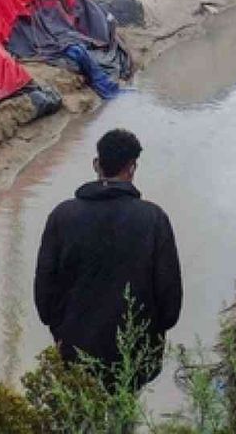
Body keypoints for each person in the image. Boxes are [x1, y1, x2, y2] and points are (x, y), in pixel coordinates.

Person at [34, 129, 183, 387]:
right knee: (123, 417)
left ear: (96, 164)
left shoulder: (62, 216)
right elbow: (170, 297)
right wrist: (151, 335)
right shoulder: (154, 219)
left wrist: (60, 331)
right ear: (132, 167)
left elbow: (45, 289)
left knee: (80, 418)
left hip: (75, 351)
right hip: (134, 354)